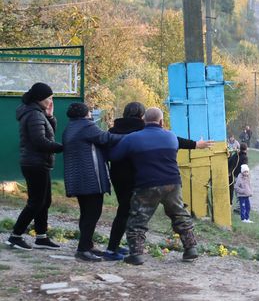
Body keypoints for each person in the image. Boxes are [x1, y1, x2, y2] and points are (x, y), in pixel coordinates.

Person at [106, 102, 211, 261]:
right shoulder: (171, 137)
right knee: (179, 215)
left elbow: (113, 156)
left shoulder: (133, 138)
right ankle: (191, 249)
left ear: (144, 120)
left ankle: (136, 255)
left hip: (147, 184)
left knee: (137, 220)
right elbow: (176, 146)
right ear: (161, 122)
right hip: (172, 184)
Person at [5, 82, 64, 251]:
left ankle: (41, 237)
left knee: (44, 201)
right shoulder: (33, 115)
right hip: (34, 163)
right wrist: (63, 147)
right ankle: (15, 236)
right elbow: (40, 142)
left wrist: (50, 116)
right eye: (49, 98)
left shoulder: (37, 113)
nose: (51, 100)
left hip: (38, 162)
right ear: (40, 98)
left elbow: (49, 134)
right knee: (36, 202)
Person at [62, 102, 123, 262]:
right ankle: (83, 250)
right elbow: (106, 138)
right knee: (92, 214)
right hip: (90, 179)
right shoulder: (86, 126)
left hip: (77, 178)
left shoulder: (71, 127)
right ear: (86, 114)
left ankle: (87, 245)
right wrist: (130, 137)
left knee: (85, 213)